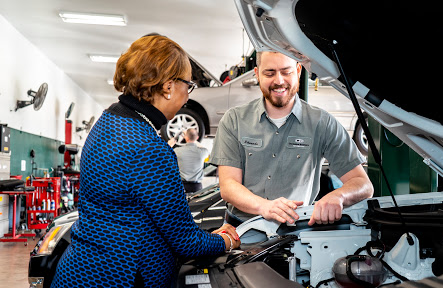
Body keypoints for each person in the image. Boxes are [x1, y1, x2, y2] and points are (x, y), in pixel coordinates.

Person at [51, 34, 240, 288]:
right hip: (119, 278)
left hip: (80, 270)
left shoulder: (108, 122)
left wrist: (204, 237)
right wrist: (225, 241)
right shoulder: (149, 149)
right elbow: (186, 242)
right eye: (189, 85)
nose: (187, 95)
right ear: (169, 86)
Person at [209, 51, 374, 227]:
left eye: (286, 72)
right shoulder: (234, 120)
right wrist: (265, 206)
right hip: (242, 231)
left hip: (298, 237)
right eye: (269, 73)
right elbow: (228, 185)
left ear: (298, 70)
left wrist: (339, 196)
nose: (279, 81)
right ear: (257, 74)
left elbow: (363, 184)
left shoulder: (322, 123)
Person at [169, 128, 210, 193]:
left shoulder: (178, 151)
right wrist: (194, 139)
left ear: (185, 137)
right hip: (197, 187)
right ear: (197, 137)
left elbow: (165, 152)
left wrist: (171, 142)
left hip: (182, 186)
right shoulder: (202, 152)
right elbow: (207, 150)